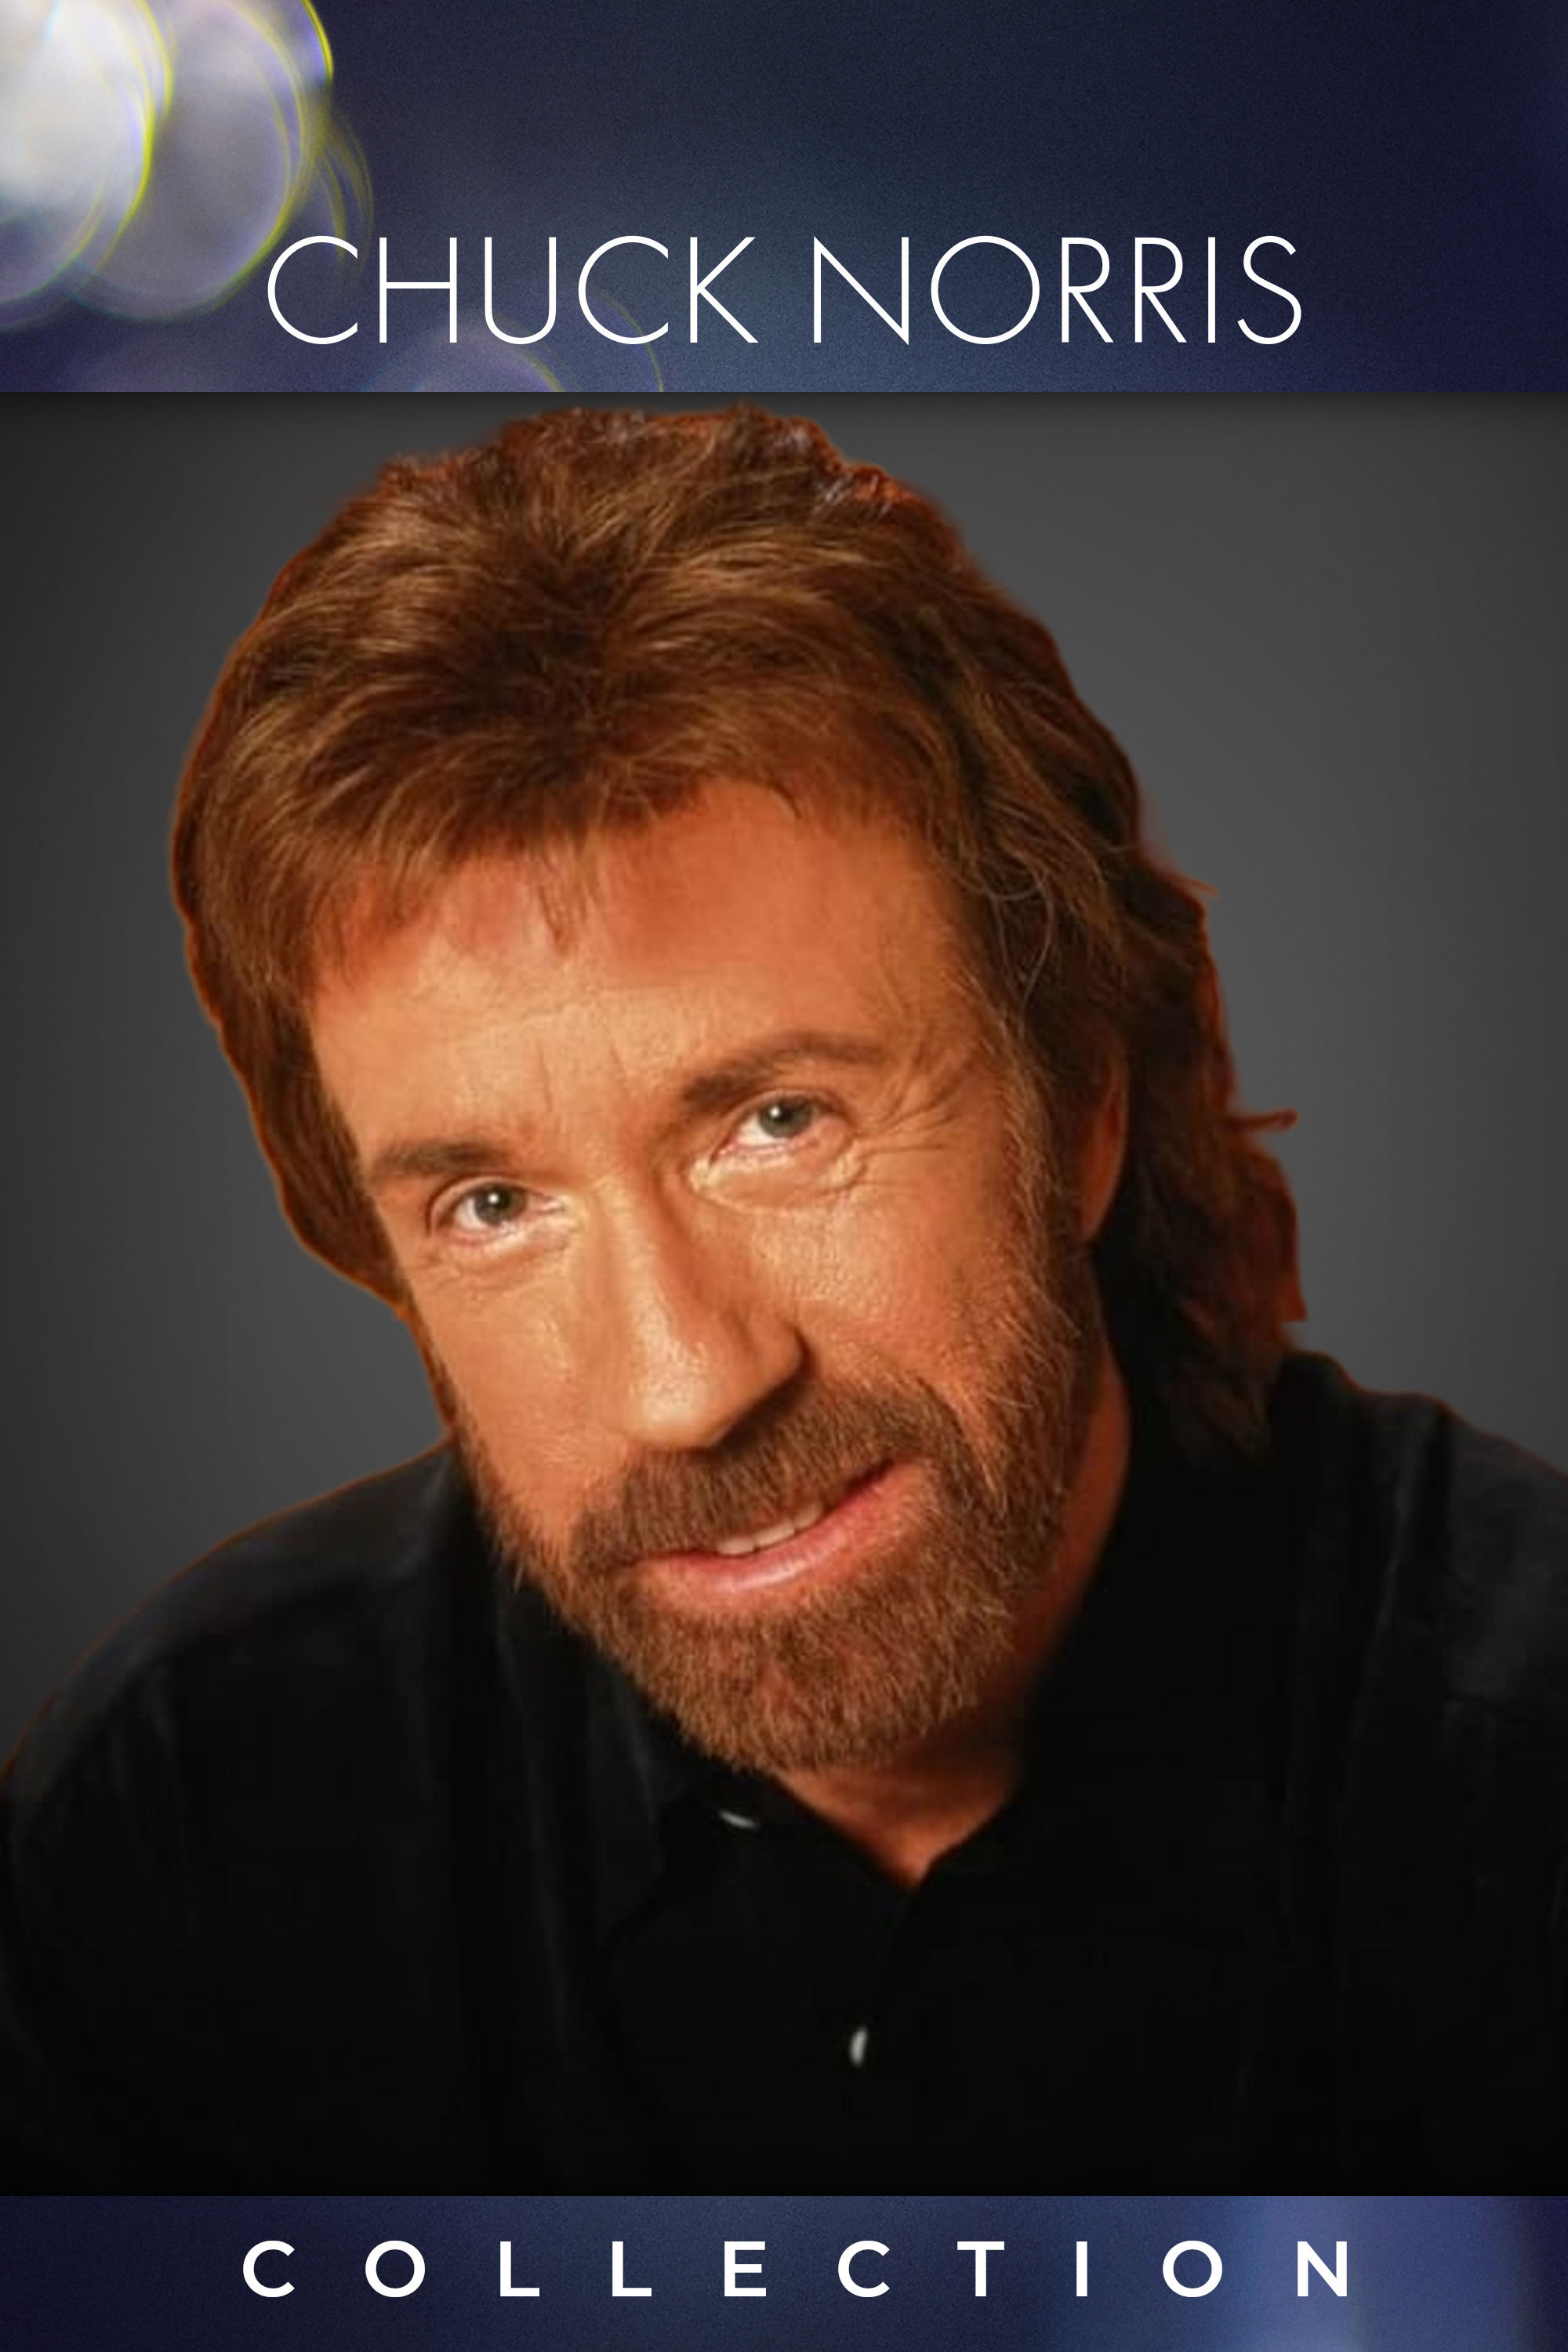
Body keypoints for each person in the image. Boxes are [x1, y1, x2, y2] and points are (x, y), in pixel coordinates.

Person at [2, 406, 1564, 2190]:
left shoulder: (1518, 1787)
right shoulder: (178, 1827)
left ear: (1081, 1102)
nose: (688, 1385)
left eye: (779, 1122)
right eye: (495, 1206)